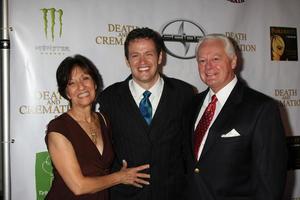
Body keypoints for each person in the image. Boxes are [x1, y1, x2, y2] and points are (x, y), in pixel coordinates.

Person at [184, 34, 287, 200]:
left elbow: (270, 181)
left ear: (233, 61)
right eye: (202, 61)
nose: (208, 67)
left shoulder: (262, 108)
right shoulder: (191, 104)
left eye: (216, 59)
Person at [98, 27, 195, 200]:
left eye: (148, 54)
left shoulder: (185, 94)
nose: (142, 61)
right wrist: (116, 176)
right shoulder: (109, 97)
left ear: (160, 57)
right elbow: (103, 147)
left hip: (173, 193)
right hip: (125, 195)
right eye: (135, 55)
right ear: (127, 60)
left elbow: (190, 147)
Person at [45, 54, 150, 200]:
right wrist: (120, 177)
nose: (81, 87)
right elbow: (78, 186)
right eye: (72, 83)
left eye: (85, 78)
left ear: (94, 83)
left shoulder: (103, 120)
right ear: (67, 92)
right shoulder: (59, 128)